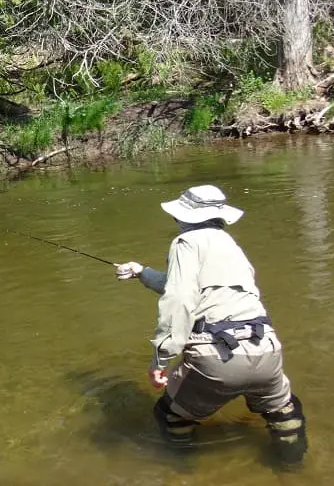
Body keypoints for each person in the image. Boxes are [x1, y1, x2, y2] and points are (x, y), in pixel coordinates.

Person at [115, 184, 307, 465]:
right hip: (265, 347)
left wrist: (160, 360)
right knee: (283, 411)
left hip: (217, 356)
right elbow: (202, 290)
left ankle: (185, 471)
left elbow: (179, 299)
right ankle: (294, 467)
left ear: (185, 217)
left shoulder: (185, 242)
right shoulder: (231, 245)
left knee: (169, 415)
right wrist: (142, 272)